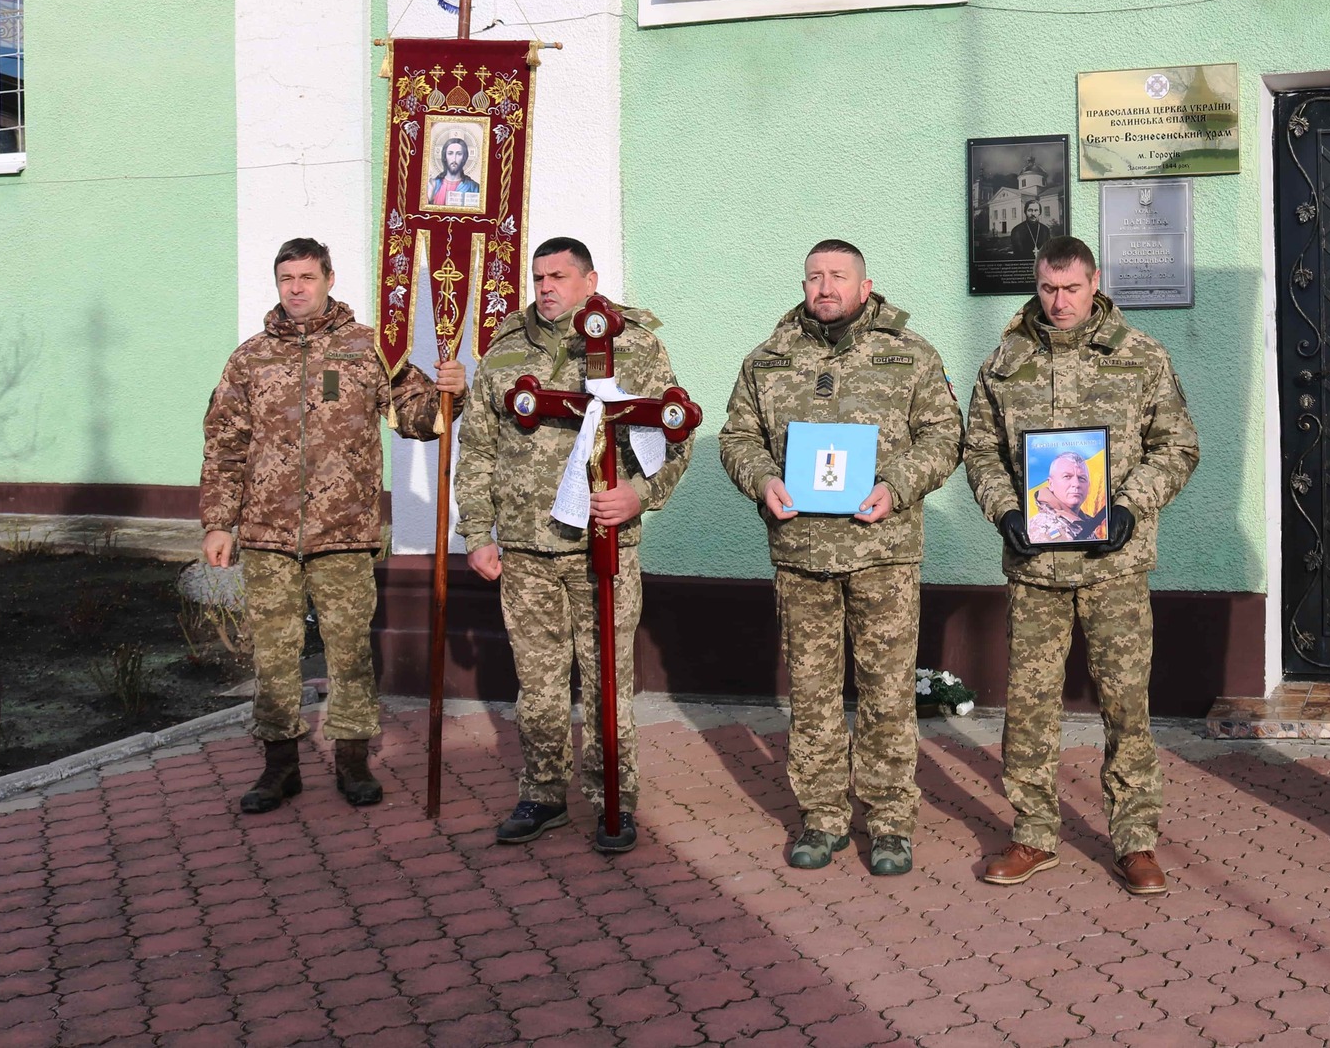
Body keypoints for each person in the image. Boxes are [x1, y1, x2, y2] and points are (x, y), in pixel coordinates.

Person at [963, 236, 1199, 895]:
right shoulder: (1005, 363)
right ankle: (1034, 833)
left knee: (1126, 706)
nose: (1059, 301)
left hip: (1114, 567)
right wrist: (1006, 510)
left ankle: (1135, 840)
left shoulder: (1140, 357)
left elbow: (1178, 446)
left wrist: (1128, 505)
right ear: (1036, 286)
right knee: (1030, 706)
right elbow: (978, 448)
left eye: (1071, 288)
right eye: (1047, 288)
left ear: (1095, 281)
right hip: (1036, 570)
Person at [719, 240, 962, 875]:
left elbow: (945, 435)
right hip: (801, 556)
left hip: (882, 554)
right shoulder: (769, 360)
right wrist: (763, 480)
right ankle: (822, 817)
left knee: (885, 693)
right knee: (813, 694)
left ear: (864, 284)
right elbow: (737, 437)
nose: (825, 287)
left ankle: (889, 823)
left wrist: (898, 486)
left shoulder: (910, 355)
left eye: (838, 277)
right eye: (815, 276)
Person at [201, 237, 464, 814]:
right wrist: (219, 523)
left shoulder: (368, 349)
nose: (296, 288)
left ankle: (352, 761)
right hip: (267, 534)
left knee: (348, 653)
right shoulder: (250, 358)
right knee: (273, 655)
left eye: (306, 277)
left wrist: (451, 393)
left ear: (329, 279)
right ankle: (279, 768)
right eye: (286, 278)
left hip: (344, 533)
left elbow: (420, 420)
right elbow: (224, 444)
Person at [455, 237, 691, 850]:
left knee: (608, 677)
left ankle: (614, 796)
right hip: (529, 548)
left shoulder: (631, 345)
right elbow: (478, 446)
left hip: (603, 547)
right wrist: (476, 532)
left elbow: (674, 429)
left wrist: (641, 493)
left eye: (558, 276)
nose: (546, 289)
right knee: (538, 681)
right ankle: (542, 794)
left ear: (590, 280)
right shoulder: (507, 351)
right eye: (538, 278)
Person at [1028, 451, 1105, 544]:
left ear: (1088, 486)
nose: (1076, 484)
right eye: (1067, 476)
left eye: (1082, 478)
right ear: (1051, 484)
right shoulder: (1041, 526)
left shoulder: (1087, 524)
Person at [428, 135, 481, 208]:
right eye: (450, 153)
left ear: (464, 158)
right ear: (445, 157)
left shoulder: (475, 187)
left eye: (459, 154)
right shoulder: (433, 185)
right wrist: (429, 201)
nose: (454, 159)